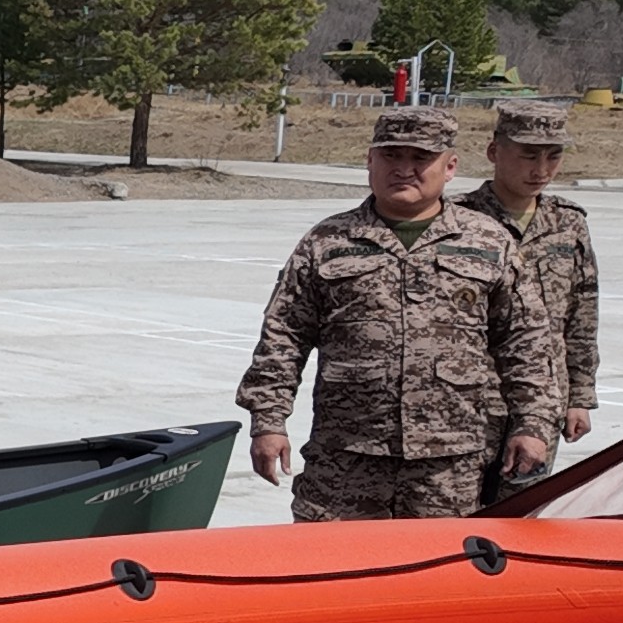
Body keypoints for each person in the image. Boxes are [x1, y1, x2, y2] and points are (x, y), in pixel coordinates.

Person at [237, 104, 561, 523]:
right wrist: (268, 422)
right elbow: (283, 337)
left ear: (450, 167)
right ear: (370, 161)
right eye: (391, 155)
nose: (404, 169)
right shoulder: (327, 241)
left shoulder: (488, 243)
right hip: (346, 460)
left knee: (438, 578)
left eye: (421, 158)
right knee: (336, 575)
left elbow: (527, 343)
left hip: (448, 464)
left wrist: (532, 424)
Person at [456, 98, 598, 496]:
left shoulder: (568, 223)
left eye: (553, 157)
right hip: (468, 398)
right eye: (528, 156)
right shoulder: (458, 219)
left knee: (518, 513)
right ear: (493, 152)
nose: (541, 170)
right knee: (454, 515)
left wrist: (580, 396)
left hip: (540, 402)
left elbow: (582, 311)